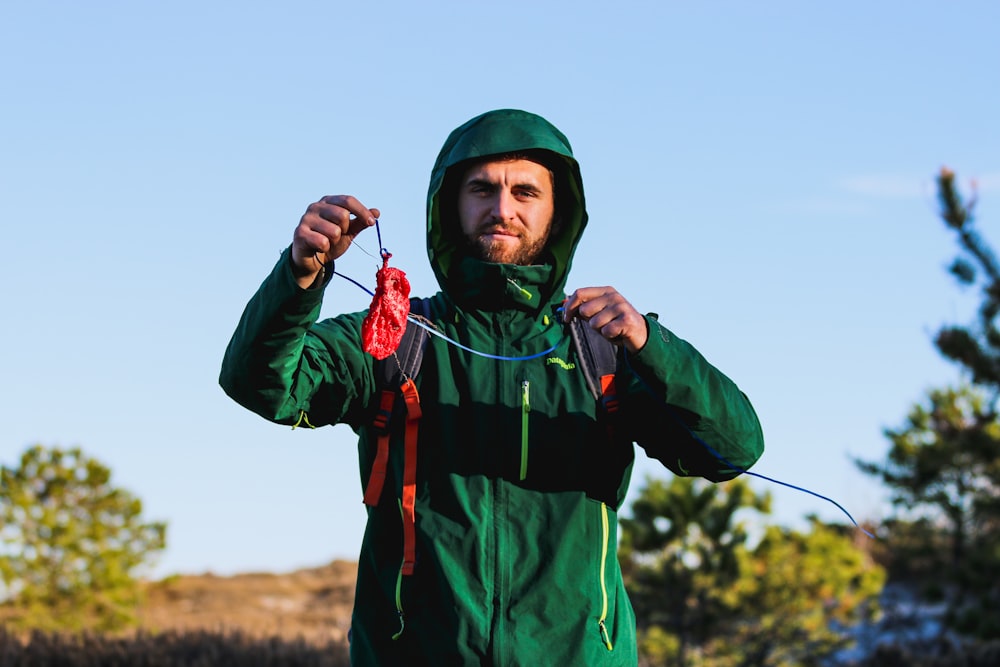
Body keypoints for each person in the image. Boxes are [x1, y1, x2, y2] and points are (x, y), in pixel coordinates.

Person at [220, 108, 765, 666]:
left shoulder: (605, 348)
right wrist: (300, 277)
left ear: (560, 213)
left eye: (525, 191)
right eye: (482, 189)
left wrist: (653, 345)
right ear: (449, 206)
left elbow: (734, 449)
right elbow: (259, 384)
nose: (502, 209)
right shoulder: (395, 337)